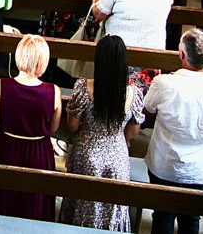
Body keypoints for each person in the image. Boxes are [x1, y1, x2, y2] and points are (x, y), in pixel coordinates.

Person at [144, 29, 203, 234]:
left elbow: (148, 108)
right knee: (192, 218)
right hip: (199, 168)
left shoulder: (165, 83)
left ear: (182, 55)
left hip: (165, 165)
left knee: (163, 216)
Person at [58, 34, 148, 231]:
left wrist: (88, 134)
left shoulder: (84, 87)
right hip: (117, 155)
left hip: (86, 151)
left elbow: (72, 123)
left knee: (81, 204)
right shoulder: (134, 93)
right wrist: (115, 137)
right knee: (113, 207)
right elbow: (133, 130)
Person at [0, 34, 61, 220]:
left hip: (7, 148)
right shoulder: (53, 91)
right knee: (34, 204)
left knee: (2, 201)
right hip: (39, 152)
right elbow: (54, 128)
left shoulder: (0, 86)